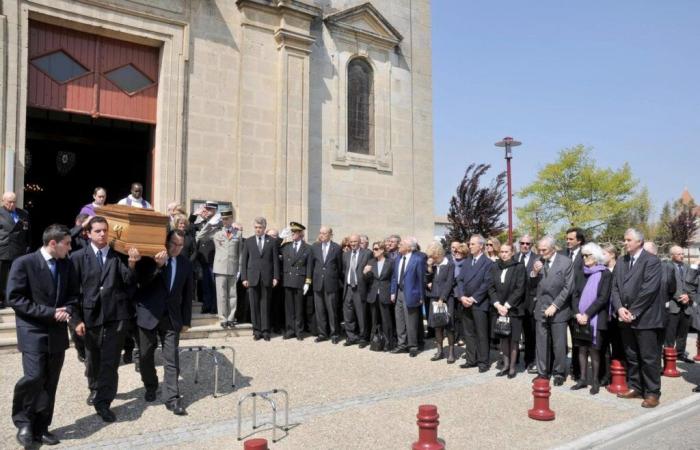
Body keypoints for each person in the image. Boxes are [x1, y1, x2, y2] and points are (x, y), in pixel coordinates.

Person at [8, 224, 79, 447]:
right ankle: (24, 422)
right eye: (67, 243)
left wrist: (67, 309)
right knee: (34, 377)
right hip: (32, 330)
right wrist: (50, 312)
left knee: (50, 382)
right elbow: (15, 298)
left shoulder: (67, 265)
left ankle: (42, 427)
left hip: (57, 333)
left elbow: (73, 295)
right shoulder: (24, 263)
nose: (70, 247)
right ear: (52, 243)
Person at [70, 216, 140, 422]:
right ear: (88, 233)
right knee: (93, 359)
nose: (102, 234)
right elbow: (72, 293)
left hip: (116, 316)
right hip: (90, 317)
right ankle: (94, 387)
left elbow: (129, 283)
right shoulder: (77, 257)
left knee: (110, 361)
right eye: (97, 231)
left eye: (104, 230)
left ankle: (104, 401)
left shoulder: (118, 255)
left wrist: (133, 264)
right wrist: (75, 320)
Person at [135, 230, 193, 415]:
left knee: (171, 358)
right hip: (148, 315)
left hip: (171, 317)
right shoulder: (151, 257)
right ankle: (151, 385)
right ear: (166, 242)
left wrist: (186, 320)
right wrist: (158, 267)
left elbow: (187, 293)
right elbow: (139, 283)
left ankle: (172, 398)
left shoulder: (185, 263)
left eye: (180, 245)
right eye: (173, 244)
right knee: (145, 356)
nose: (176, 248)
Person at [611, 228, 664, 408]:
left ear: (639, 242)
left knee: (649, 357)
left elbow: (648, 290)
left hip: (645, 318)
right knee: (632, 355)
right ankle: (635, 386)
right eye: (624, 240)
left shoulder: (652, 261)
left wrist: (632, 311)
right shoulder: (621, 261)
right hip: (625, 317)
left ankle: (652, 392)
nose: (625, 243)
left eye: (628, 240)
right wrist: (619, 308)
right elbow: (615, 288)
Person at [530, 236, 574, 386]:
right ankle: (543, 373)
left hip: (558, 309)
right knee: (541, 342)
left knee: (559, 343)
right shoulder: (538, 261)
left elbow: (568, 288)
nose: (541, 253)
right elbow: (532, 285)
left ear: (553, 248)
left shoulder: (566, 262)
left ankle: (559, 372)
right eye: (539, 250)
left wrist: (555, 306)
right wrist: (534, 274)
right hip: (541, 307)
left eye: (545, 250)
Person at [570, 243, 612, 395]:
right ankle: (582, 379)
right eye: (583, 255)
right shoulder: (581, 273)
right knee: (581, 349)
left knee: (594, 351)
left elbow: (603, 298)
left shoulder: (605, 274)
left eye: (587, 255)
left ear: (596, 257)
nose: (584, 258)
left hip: (595, 318)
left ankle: (595, 381)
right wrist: (577, 314)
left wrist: (587, 314)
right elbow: (574, 295)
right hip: (579, 318)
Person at [456, 235, 494, 372]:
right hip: (465, 302)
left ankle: (483, 361)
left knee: (481, 333)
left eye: (472, 244)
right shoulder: (467, 261)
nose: (469, 246)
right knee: (468, 332)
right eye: (469, 243)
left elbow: (487, 283)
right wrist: (461, 296)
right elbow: (459, 280)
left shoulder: (488, 263)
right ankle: (471, 359)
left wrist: (472, 298)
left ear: (481, 246)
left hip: (479, 303)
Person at [489, 243, 526, 378]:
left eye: (506, 252)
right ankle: (505, 365)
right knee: (503, 338)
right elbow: (491, 287)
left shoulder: (519, 267)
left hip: (514, 309)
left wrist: (507, 305)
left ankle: (512, 367)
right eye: (502, 252)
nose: (503, 254)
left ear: (512, 253)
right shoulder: (495, 266)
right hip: (499, 308)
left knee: (514, 339)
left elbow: (520, 288)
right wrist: (498, 305)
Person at [241, 217, 280, 341]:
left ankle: (265, 330)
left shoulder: (272, 242)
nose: (258, 230)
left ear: (264, 228)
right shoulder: (248, 241)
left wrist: (276, 276)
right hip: (252, 278)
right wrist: (244, 277)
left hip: (267, 277)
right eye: (256, 227)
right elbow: (244, 261)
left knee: (265, 305)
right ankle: (256, 331)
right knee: (254, 305)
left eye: (260, 227)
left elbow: (275, 261)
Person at [390, 237, 426, 357]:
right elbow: (395, 277)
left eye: (402, 244)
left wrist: (421, 296)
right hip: (399, 292)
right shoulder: (398, 258)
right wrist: (393, 292)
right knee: (399, 319)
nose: (399, 245)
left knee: (411, 321)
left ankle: (413, 346)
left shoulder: (418, 259)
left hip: (411, 293)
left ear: (410, 247)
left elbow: (421, 279)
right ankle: (402, 344)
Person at [309, 226, 343, 344]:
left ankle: (334, 334)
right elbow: (312, 265)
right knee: (320, 310)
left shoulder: (337, 248)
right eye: (320, 233)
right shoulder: (315, 247)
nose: (321, 235)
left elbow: (339, 267)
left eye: (324, 233)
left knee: (332, 309)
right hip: (318, 283)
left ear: (330, 235)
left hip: (331, 283)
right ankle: (322, 333)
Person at [562, 227, 586, 381]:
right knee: (559, 338)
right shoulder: (562, 254)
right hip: (561, 302)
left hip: (577, 303)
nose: (568, 241)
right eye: (567, 239)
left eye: (571, 239)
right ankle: (558, 367)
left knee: (577, 338)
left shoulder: (585, 256)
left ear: (579, 240)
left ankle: (576, 370)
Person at [280, 222, 312, 340]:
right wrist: (281, 237)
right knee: (289, 308)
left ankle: (299, 331)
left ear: (300, 234)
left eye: (295, 232)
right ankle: (290, 330)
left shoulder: (307, 248)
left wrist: (307, 282)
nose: (292, 234)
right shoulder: (286, 246)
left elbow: (309, 266)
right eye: (291, 232)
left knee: (299, 308)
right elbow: (275, 248)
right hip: (288, 279)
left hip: (300, 280)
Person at [425, 243, 456, 363]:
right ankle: (439, 351)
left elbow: (449, 283)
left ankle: (451, 353)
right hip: (434, 298)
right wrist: (429, 268)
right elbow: (427, 279)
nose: (432, 259)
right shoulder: (433, 265)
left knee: (449, 326)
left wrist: (442, 298)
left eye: (433, 256)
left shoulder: (449, 264)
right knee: (438, 325)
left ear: (438, 254)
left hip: (446, 299)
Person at [212, 208, 243, 329]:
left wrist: (239, 268)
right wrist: (211, 224)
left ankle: (231, 317)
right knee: (221, 295)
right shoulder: (217, 233)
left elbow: (240, 252)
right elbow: (201, 236)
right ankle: (223, 318)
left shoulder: (238, 234)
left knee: (232, 294)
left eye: (227, 219)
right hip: (220, 267)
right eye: (223, 219)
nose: (225, 221)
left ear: (231, 219)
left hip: (233, 267)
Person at [0, 191, 31, 308]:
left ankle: (13, 298)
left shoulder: (23, 213)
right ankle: (1, 299)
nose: (12, 204)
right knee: (2, 277)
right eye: (9, 202)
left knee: (16, 275)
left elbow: (28, 231)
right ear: (3, 201)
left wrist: (28, 246)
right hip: (4, 248)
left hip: (19, 249)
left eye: (14, 202)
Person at [363, 241, 395, 350]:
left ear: (382, 250)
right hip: (373, 295)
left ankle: (388, 343)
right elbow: (366, 280)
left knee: (386, 320)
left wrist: (392, 293)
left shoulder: (390, 262)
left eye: (376, 249)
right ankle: (375, 342)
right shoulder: (371, 262)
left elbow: (393, 279)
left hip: (385, 294)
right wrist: (365, 273)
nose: (374, 251)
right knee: (374, 320)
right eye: (373, 249)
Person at [190, 201, 221, 314]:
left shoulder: (219, 223)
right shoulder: (201, 223)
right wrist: (195, 214)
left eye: (210, 209)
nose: (207, 211)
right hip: (203, 259)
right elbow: (189, 225)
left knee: (214, 285)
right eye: (206, 209)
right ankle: (207, 306)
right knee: (205, 285)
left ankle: (214, 307)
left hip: (214, 258)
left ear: (215, 210)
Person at [665, 245, 694, 363]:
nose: (682, 256)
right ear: (672, 255)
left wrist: (689, 296)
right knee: (670, 333)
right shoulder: (667, 267)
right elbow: (667, 284)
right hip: (673, 305)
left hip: (687, 305)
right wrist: (679, 297)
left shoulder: (688, 267)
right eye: (679, 254)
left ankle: (680, 353)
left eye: (682, 253)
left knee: (683, 333)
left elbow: (693, 284)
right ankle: (668, 357)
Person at [342, 234, 372, 347]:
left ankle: (363, 337)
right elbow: (344, 270)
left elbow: (369, 271)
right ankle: (351, 337)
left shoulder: (367, 253)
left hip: (360, 288)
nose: (353, 244)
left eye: (355, 242)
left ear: (359, 242)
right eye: (351, 242)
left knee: (361, 314)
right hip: (348, 287)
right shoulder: (345, 254)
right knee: (348, 313)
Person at [515, 234, 538, 374]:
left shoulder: (537, 259)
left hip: (530, 301)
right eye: (522, 243)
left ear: (531, 245)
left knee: (530, 333)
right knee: (515, 332)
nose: (524, 245)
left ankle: (529, 360)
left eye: (527, 244)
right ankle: (514, 358)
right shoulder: (514, 257)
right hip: (515, 302)